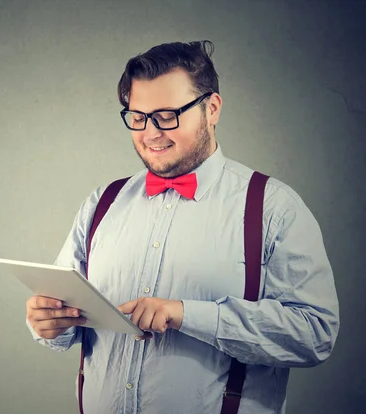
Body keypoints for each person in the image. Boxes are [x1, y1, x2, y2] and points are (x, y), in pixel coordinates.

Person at [25, 40, 340, 413]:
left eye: (167, 115)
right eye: (138, 117)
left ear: (212, 109)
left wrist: (189, 315)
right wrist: (49, 323)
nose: (151, 133)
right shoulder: (101, 202)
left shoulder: (274, 208)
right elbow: (66, 316)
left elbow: (315, 334)